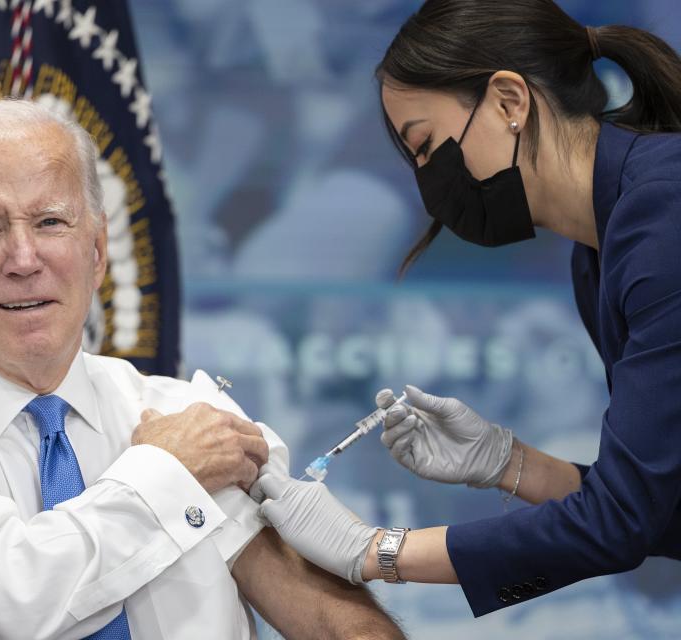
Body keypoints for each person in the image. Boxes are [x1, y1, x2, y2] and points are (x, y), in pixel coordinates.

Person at [0, 99, 404, 639]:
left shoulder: (189, 418)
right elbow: (8, 606)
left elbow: (330, 621)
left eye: (50, 222)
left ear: (97, 252)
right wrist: (167, 470)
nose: (23, 259)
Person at [253, 0, 681, 619]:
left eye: (425, 146)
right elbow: (658, 514)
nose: (428, 181)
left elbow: (618, 522)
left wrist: (375, 551)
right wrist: (511, 464)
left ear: (510, 101)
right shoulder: (598, 254)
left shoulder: (662, 218)